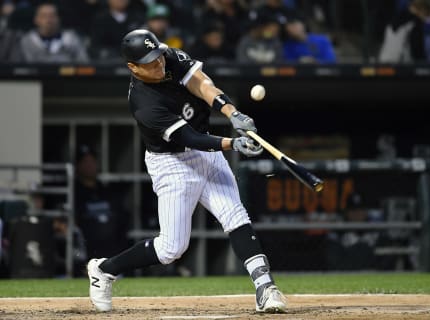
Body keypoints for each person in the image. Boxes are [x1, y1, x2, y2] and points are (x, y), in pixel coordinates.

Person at [86, 29, 287, 313]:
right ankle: (104, 270)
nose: (159, 64)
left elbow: (201, 84)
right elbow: (190, 139)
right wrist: (232, 143)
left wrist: (232, 113)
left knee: (235, 216)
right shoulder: (144, 104)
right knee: (171, 249)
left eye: (158, 56)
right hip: (172, 164)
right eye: (149, 62)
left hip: (207, 152)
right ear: (133, 67)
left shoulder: (167, 56)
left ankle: (266, 288)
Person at [75, 145, 126, 260]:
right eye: (85, 161)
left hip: (112, 251)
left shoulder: (107, 191)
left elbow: (121, 219)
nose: (89, 165)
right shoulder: (75, 193)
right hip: (86, 252)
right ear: (78, 165)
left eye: (92, 161)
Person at [13, 2, 89, 63]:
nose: (49, 20)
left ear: (58, 18)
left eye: (52, 16)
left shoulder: (71, 39)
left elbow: (83, 62)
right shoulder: (26, 40)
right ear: (36, 19)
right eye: (44, 16)